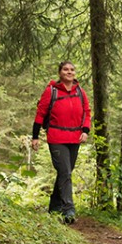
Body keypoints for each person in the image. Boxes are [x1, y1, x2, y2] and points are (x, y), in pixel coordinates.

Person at [31, 61, 91, 222]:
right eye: (66, 69)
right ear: (60, 73)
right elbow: (40, 113)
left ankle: (55, 204)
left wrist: (85, 131)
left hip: (75, 137)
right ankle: (68, 210)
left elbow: (87, 111)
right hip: (56, 137)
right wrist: (35, 136)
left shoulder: (80, 91)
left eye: (72, 70)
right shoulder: (51, 91)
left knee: (66, 172)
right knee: (65, 172)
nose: (69, 72)